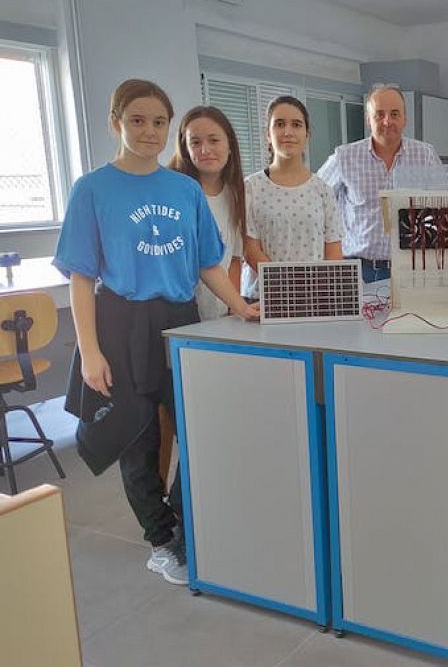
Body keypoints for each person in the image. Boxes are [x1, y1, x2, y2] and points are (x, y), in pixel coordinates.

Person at [54, 79, 259, 586]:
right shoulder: (92, 189)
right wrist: (91, 351)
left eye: (160, 122)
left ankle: (188, 528)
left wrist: (242, 308)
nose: (150, 131)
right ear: (115, 123)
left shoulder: (184, 190)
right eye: (138, 120)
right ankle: (161, 539)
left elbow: (210, 264)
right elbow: (81, 279)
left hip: (180, 318)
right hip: (119, 321)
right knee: (138, 440)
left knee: (199, 432)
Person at [317, 85, 442, 283]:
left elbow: (446, 209)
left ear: (405, 119)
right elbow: (315, 204)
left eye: (394, 114)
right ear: (368, 120)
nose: (387, 121)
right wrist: (328, 257)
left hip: (412, 270)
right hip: (357, 271)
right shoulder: (344, 157)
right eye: (379, 114)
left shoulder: (425, 156)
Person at [242, 96, 343, 299]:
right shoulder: (251, 187)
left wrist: (310, 287)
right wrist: (285, 285)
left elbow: (333, 251)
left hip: (314, 296)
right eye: (279, 124)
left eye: (296, 125)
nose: (288, 132)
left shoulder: (323, 190)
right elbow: (251, 250)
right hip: (264, 297)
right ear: (268, 135)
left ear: (307, 134)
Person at [169, 105, 246, 320]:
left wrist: (233, 308)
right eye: (195, 142)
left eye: (214, 140)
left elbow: (234, 260)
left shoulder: (236, 194)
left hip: (220, 315)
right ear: (185, 148)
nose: (205, 150)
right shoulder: (172, 192)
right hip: (180, 313)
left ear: (230, 145)